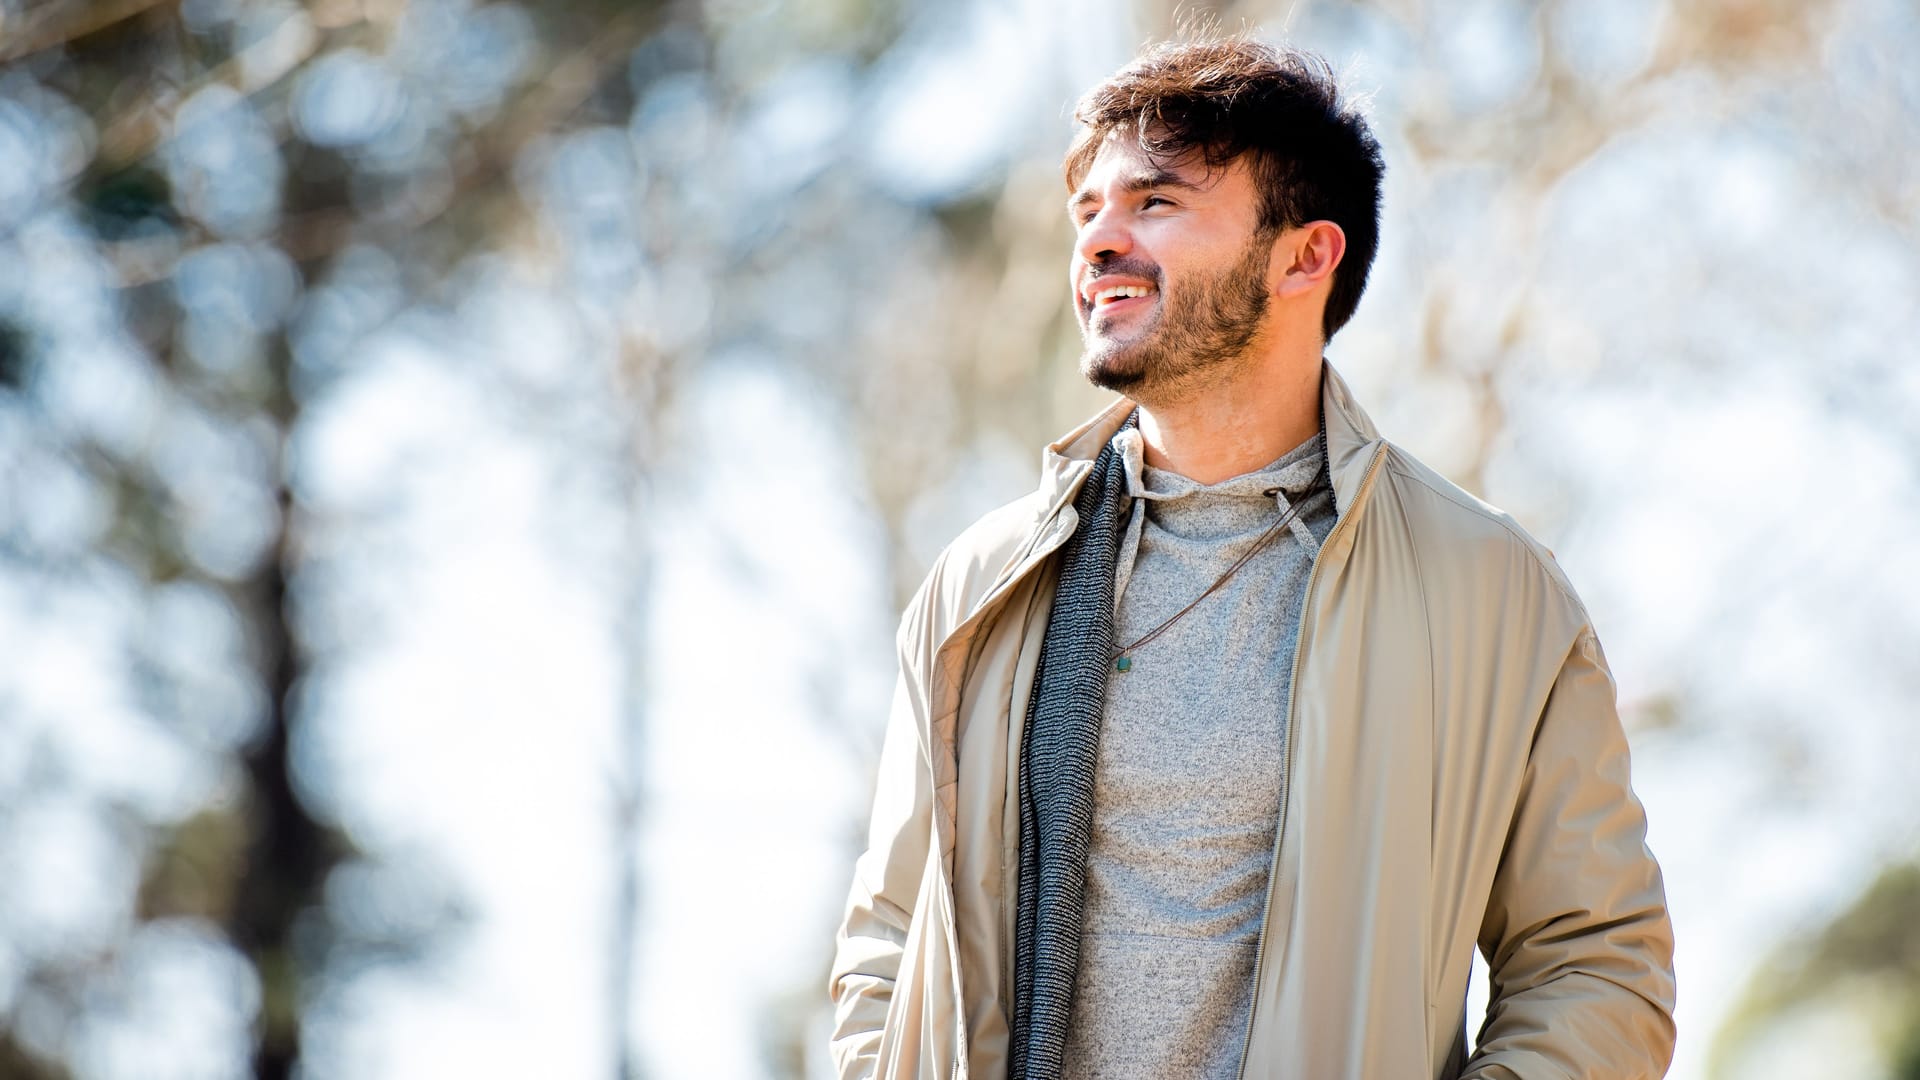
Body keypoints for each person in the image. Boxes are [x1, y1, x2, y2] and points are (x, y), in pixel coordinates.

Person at [829, 34, 1675, 1080]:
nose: (1097, 241)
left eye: (1155, 203)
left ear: (1304, 256)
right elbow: (889, 945)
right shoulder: (980, 587)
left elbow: (1596, 962)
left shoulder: (1491, 594)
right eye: (1085, 209)